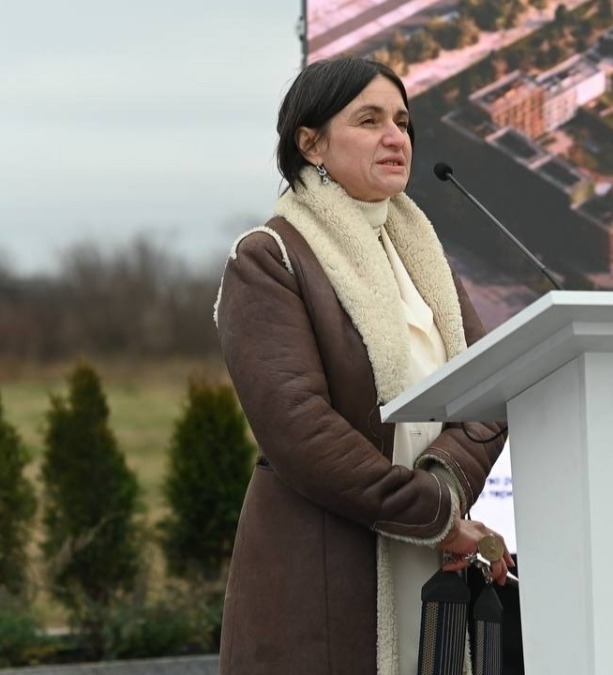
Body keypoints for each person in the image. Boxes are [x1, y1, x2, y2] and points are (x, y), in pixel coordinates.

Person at [212, 55, 514, 675]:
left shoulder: (422, 256)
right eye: (369, 120)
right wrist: (432, 513)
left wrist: (443, 491)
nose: (395, 137)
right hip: (323, 565)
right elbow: (300, 430)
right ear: (311, 143)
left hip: (435, 548)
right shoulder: (268, 258)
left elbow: (488, 390)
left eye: (402, 122)